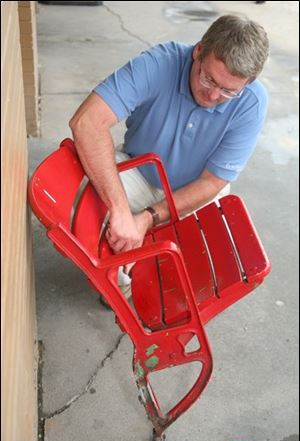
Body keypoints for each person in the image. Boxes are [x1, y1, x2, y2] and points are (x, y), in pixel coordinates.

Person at [69, 14, 269, 288]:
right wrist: (121, 212)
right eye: (208, 78)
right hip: (138, 170)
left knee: (211, 269)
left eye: (228, 91)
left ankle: (145, 272)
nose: (212, 97)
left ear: (247, 83)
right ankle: (122, 280)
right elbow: (87, 122)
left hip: (195, 189)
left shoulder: (252, 102)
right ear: (198, 50)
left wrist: (148, 218)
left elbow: (212, 181)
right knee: (79, 209)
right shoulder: (159, 62)